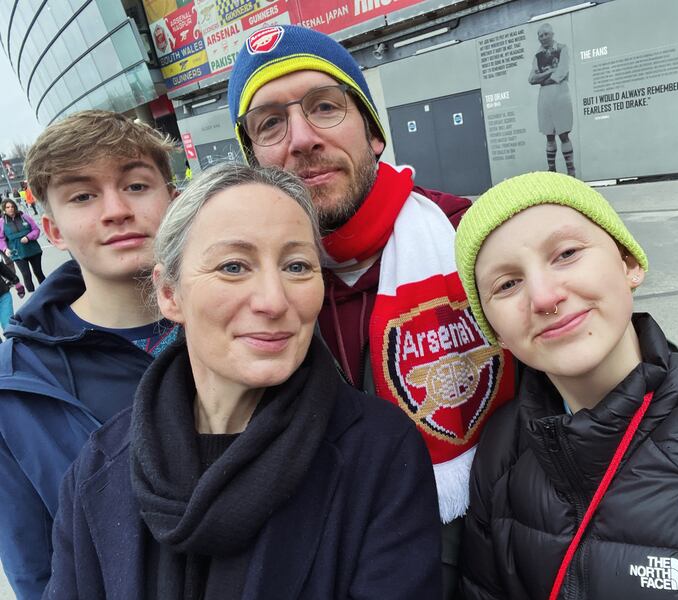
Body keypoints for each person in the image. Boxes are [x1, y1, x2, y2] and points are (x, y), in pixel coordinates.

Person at [44, 163, 441, 599]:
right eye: (233, 266)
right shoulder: (98, 471)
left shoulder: (380, 453)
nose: (273, 300)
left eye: (297, 266)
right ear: (170, 294)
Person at [227, 24, 516, 595]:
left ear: (373, 132)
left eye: (325, 107)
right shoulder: (241, 298)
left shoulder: (476, 241)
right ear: (253, 160)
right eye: (270, 124)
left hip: (496, 556)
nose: (302, 138)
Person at [453, 172, 678, 599]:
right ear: (496, 333)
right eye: (507, 284)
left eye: (566, 253)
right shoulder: (501, 450)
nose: (544, 297)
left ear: (629, 263)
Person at [0, 110, 181, 599]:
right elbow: (38, 570)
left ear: (175, 201)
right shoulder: (17, 387)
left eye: (137, 186)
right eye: (83, 196)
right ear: (53, 231)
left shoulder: (252, 321)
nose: (116, 210)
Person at [529, 23, 576, 176]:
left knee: (563, 134)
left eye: (545, 34)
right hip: (545, 98)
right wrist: (550, 71)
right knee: (549, 135)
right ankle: (552, 172)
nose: (543, 37)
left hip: (560, 95)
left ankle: (571, 172)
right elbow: (532, 79)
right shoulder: (538, 56)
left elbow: (560, 74)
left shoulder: (562, 49)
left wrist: (544, 77)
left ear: (552, 34)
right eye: (540, 35)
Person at [0, 198, 46, 292]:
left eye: (12, 206)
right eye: (8, 207)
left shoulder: (24, 216)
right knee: (26, 275)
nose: (11, 209)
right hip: (17, 253)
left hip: (33, 250)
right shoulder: (2, 222)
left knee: (38, 272)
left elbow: (36, 230)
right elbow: (1, 239)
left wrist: (28, 237)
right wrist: (5, 249)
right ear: (4, 209)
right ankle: (33, 297)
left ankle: (48, 292)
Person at [0, 260, 24, 336]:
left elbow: (2, 268)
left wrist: (16, 282)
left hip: (3, 296)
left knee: (9, 328)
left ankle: (13, 345)